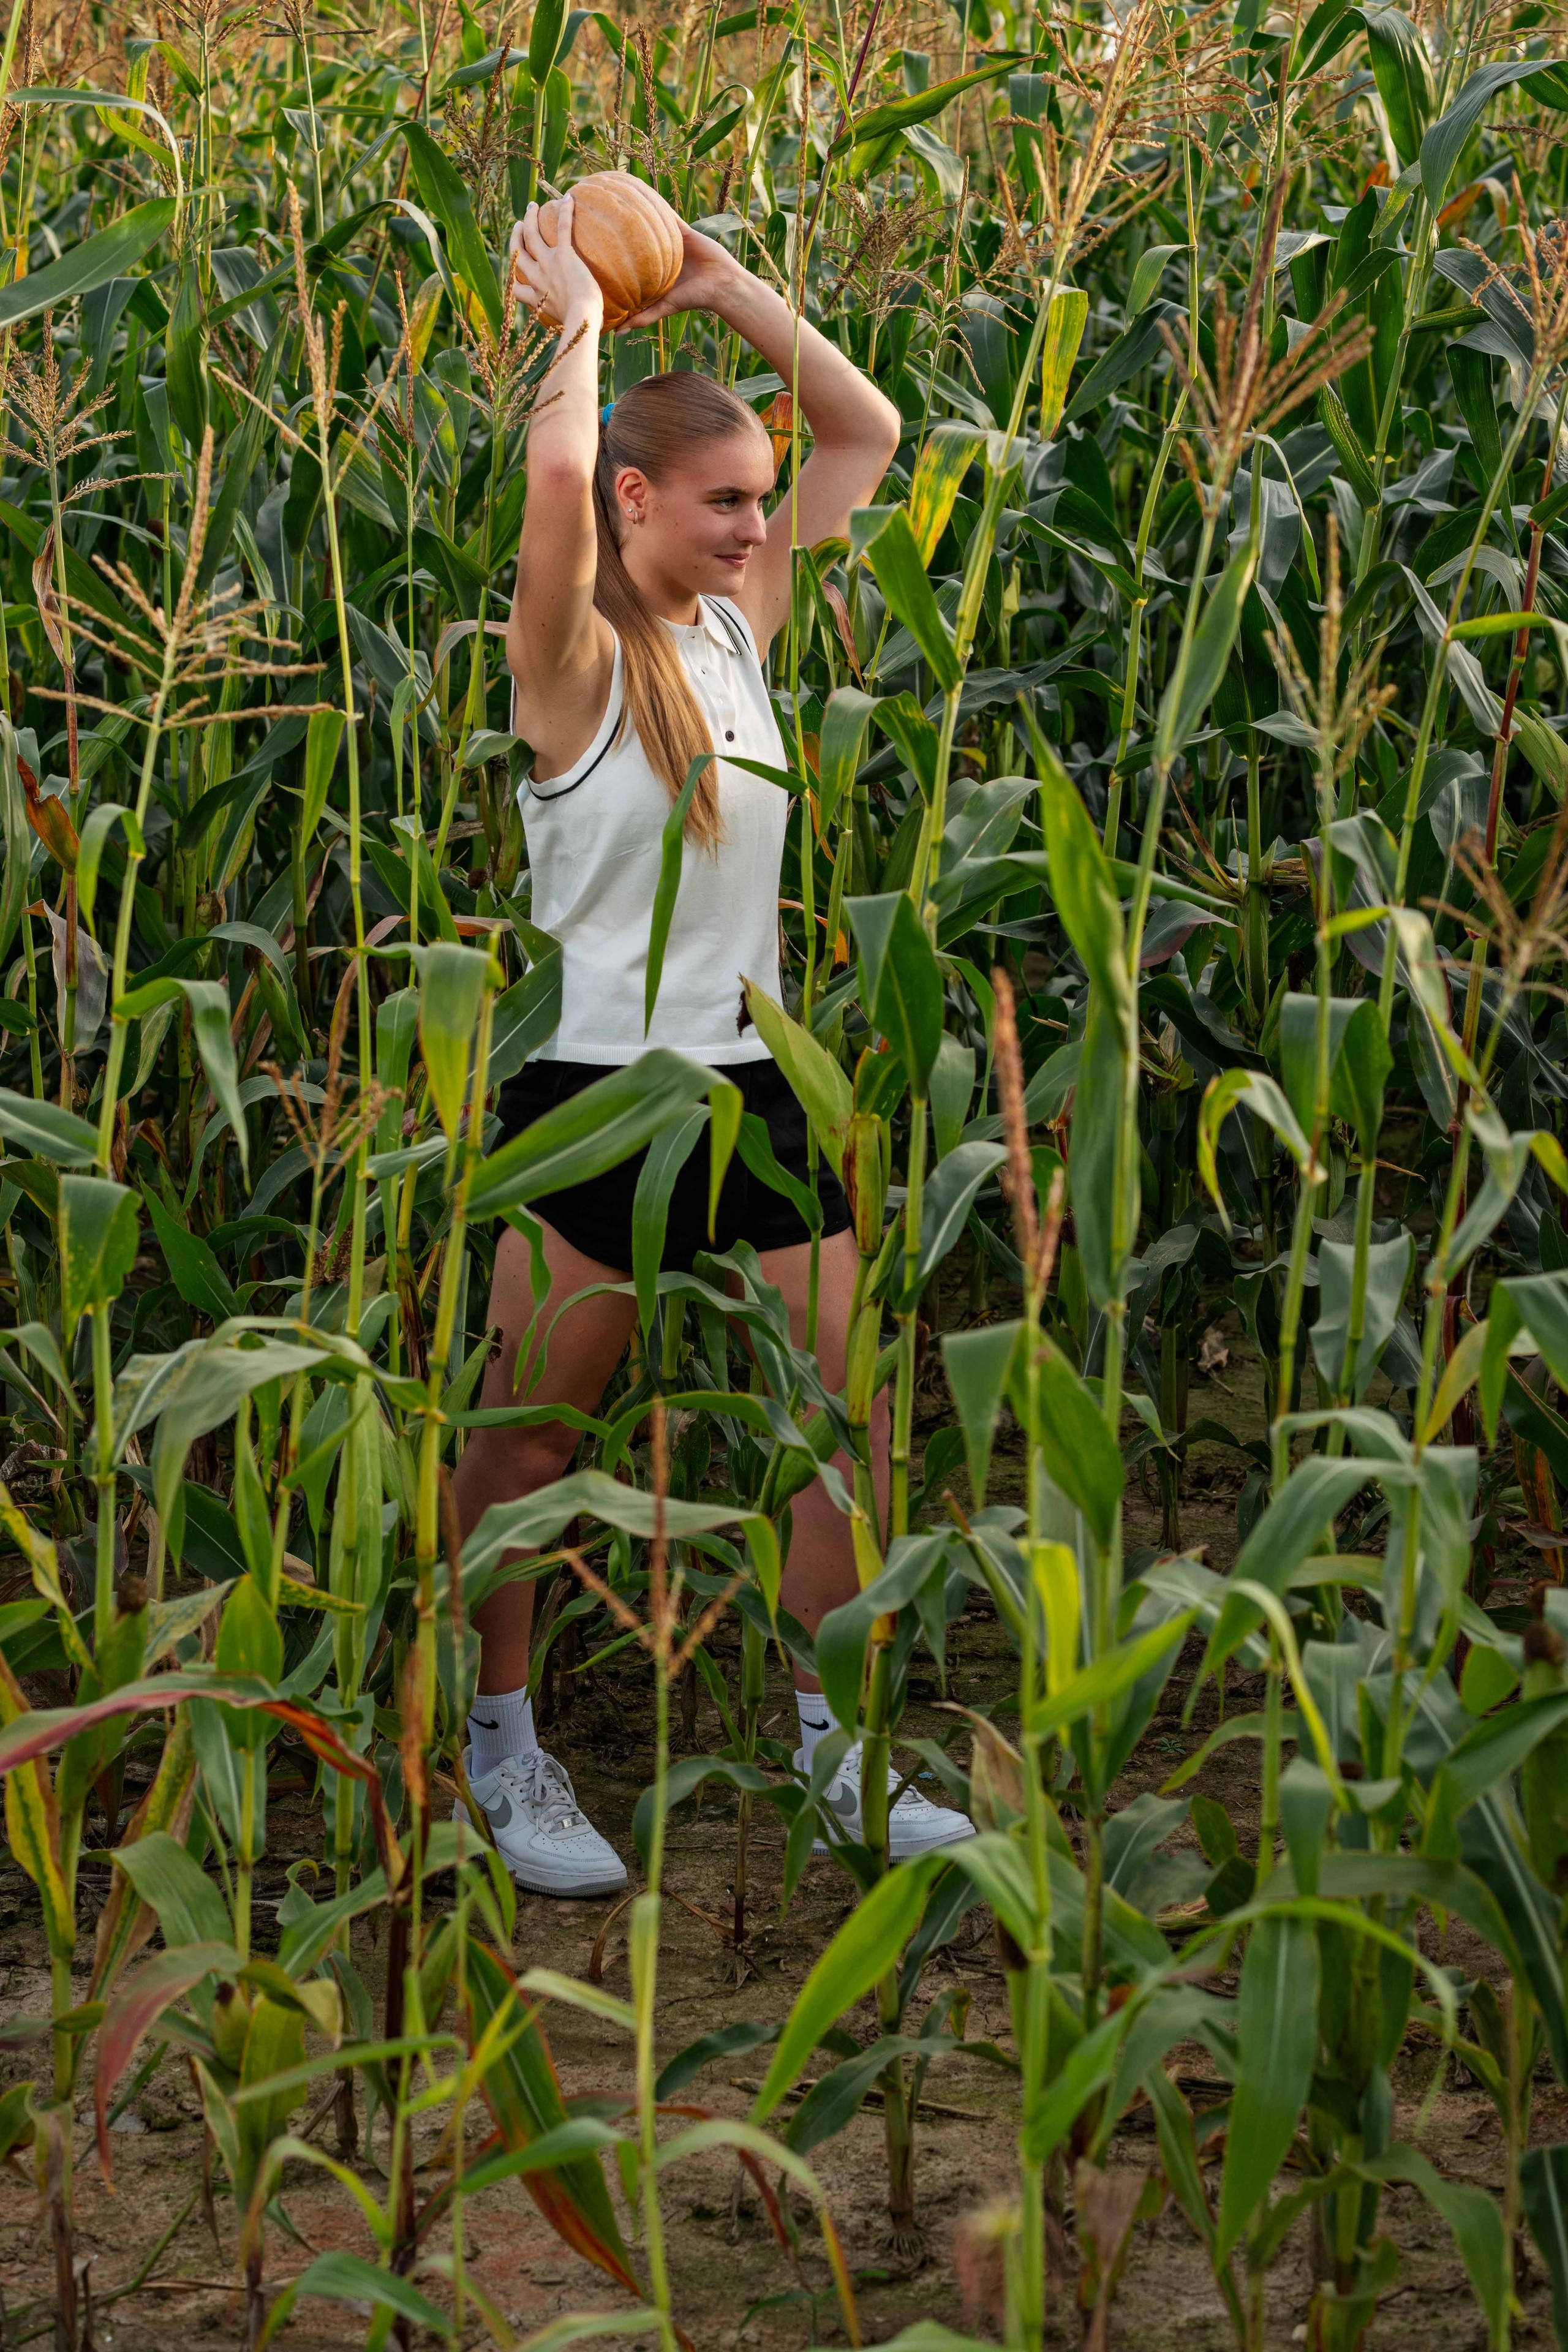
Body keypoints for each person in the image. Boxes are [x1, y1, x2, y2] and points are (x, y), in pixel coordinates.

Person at [450, 191, 975, 1896]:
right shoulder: (575, 663)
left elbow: (868, 426)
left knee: (846, 1423)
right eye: (724, 501)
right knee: (533, 1447)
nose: (760, 523)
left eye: (764, 500)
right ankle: (504, 1750)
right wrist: (579, 326)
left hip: (756, 1087)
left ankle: (839, 1749)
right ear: (634, 498)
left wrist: (719, 279)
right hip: (595, 1098)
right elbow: (545, 489)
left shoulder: (742, 632)